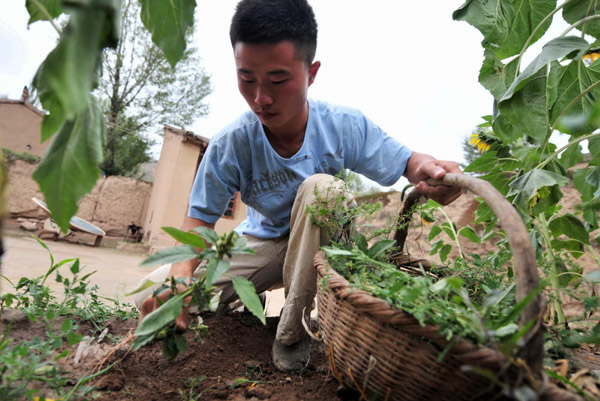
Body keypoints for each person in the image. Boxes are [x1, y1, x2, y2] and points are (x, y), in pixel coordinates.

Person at [136, 0, 462, 373]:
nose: (262, 98)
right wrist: (179, 284)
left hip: (324, 247)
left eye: (277, 80)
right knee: (153, 297)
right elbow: (198, 225)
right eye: (247, 80)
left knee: (324, 190)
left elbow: (409, 161)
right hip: (263, 244)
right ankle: (243, 308)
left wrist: (431, 172)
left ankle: (296, 331)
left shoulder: (342, 125)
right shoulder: (232, 144)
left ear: (311, 73)